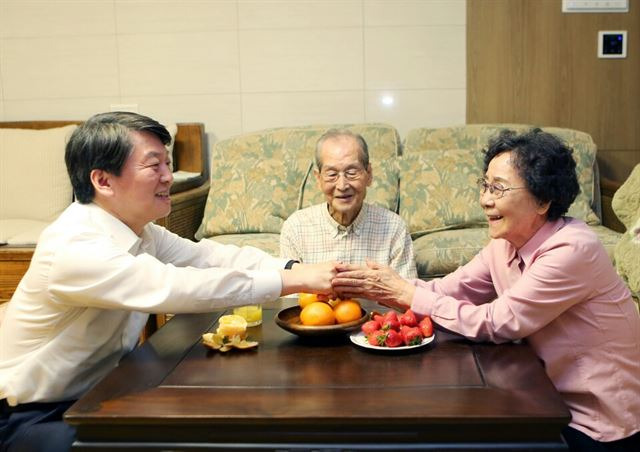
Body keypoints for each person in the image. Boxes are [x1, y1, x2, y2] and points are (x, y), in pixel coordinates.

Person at [0, 112, 336, 451]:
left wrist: (298, 268)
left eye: (168, 164)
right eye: (154, 166)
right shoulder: (73, 246)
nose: (168, 177)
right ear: (103, 181)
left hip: (97, 392)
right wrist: (291, 281)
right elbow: (176, 286)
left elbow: (211, 257)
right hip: (30, 416)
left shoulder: (140, 230)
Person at [332, 129, 640, 451]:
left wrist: (405, 295)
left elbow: (497, 322)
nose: (485, 199)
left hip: (597, 423)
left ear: (543, 200)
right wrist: (372, 286)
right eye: (485, 185)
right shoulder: (505, 244)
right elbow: (448, 289)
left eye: (498, 188)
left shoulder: (573, 249)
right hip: (544, 396)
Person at [280, 129, 417, 279]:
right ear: (318, 179)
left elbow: (407, 295)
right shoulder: (296, 228)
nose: (342, 185)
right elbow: (290, 299)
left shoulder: (394, 228)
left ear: (369, 174)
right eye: (332, 174)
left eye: (351, 172)